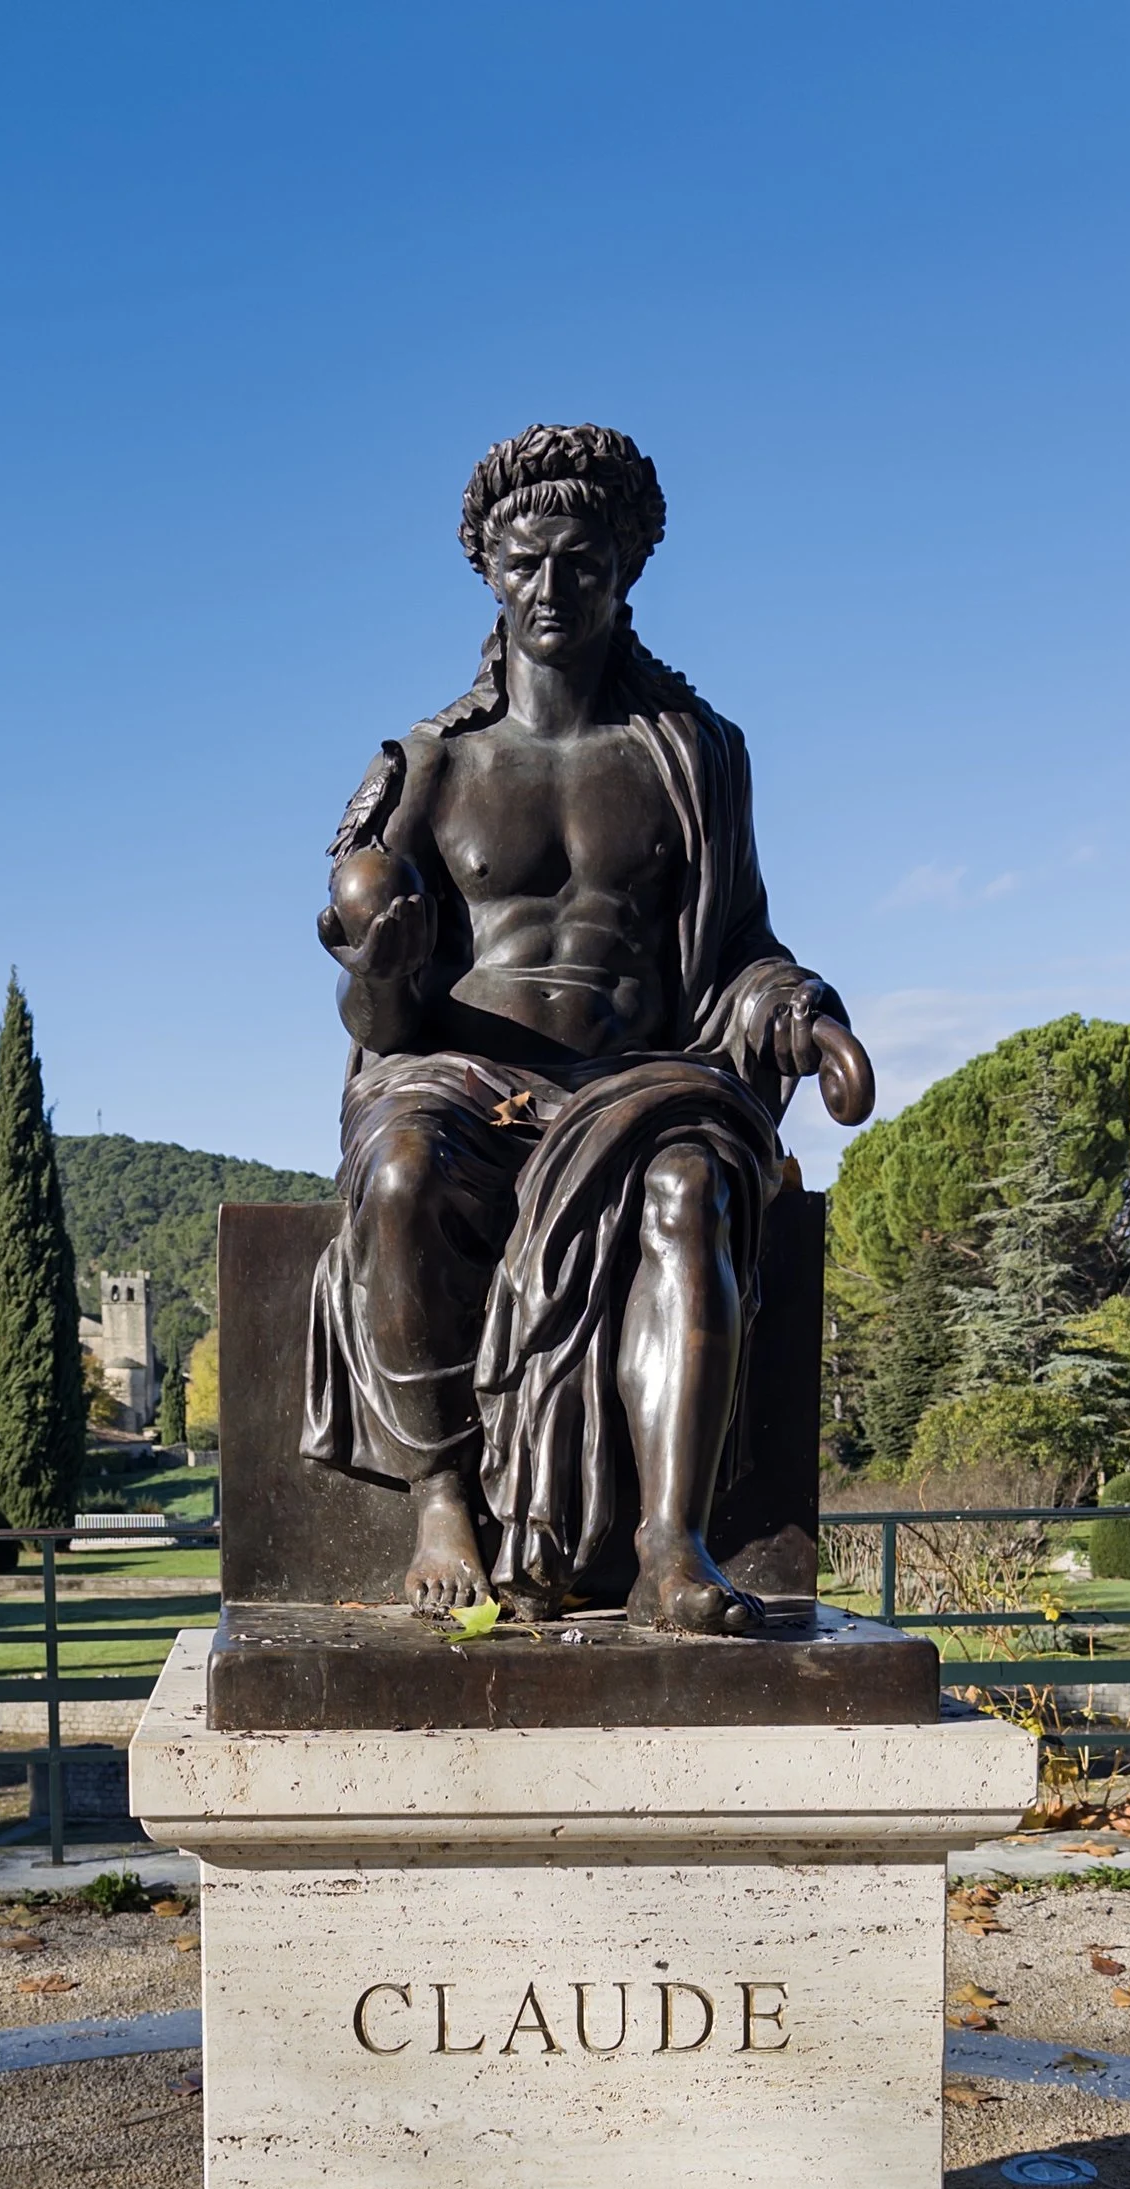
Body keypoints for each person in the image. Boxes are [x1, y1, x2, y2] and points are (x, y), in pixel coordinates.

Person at [302, 422, 870, 1630]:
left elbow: (739, 946)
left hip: (640, 1080)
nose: (551, 589)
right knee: (398, 1175)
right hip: (459, 1080)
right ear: (488, 572)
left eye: (582, 563)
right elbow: (377, 1013)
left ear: (625, 572)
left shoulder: (696, 758)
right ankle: (441, 1496)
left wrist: (802, 1014)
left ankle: (672, 1546)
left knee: (690, 1189)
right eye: (525, 564)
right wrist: (378, 968)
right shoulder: (425, 767)